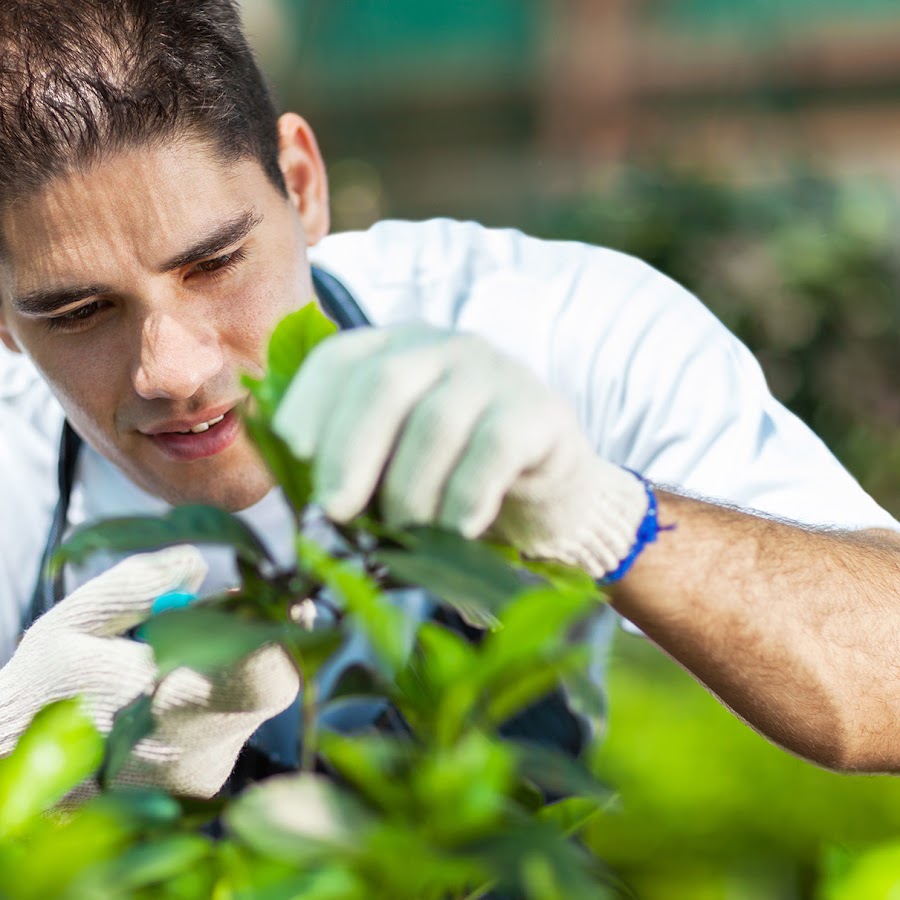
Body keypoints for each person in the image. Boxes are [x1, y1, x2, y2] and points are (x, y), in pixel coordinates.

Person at [0, 0, 898, 798]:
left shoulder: (562, 327)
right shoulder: (15, 471)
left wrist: (608, 517)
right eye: (80, 313)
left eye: (215, 264)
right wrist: (27, 781)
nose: (173, 370)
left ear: (303, 186)